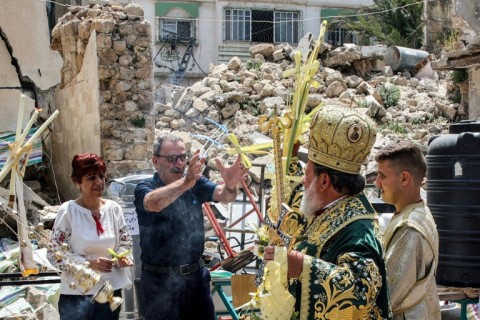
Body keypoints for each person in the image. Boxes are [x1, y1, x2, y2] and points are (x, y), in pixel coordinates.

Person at [264, 104, 392, 319]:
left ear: (324, 181)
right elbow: (296, 201)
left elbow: (362, 290)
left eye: (306, 174)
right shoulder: (327, 208)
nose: (303, 182)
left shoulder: (360, 229)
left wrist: (302, 266)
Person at [133, 132, 248, 320]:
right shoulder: (145, 187)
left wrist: (230, 185)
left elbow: (225, 195)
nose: (178, 164)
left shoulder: (195, 183)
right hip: (159, 284)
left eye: (182, 157)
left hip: (195, 281)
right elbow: (153, 203)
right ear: (155, 161)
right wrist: (186, 183)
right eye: (171, 159)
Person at [48, 153, 133, 320]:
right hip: (77, 294)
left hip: (109, 293)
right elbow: (53, 254)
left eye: (101, 176)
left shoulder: (114, 209)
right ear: (77, 181)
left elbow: (126, 244)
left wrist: (121, 259)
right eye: (91, 177)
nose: (99, 182)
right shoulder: (69, 211)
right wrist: (88, 263)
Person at [375, 141, 440, 319]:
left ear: (404, 178)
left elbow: (387, 295)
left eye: (382, 176)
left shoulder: (409, 230)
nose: (377, 183)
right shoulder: (418, 211)